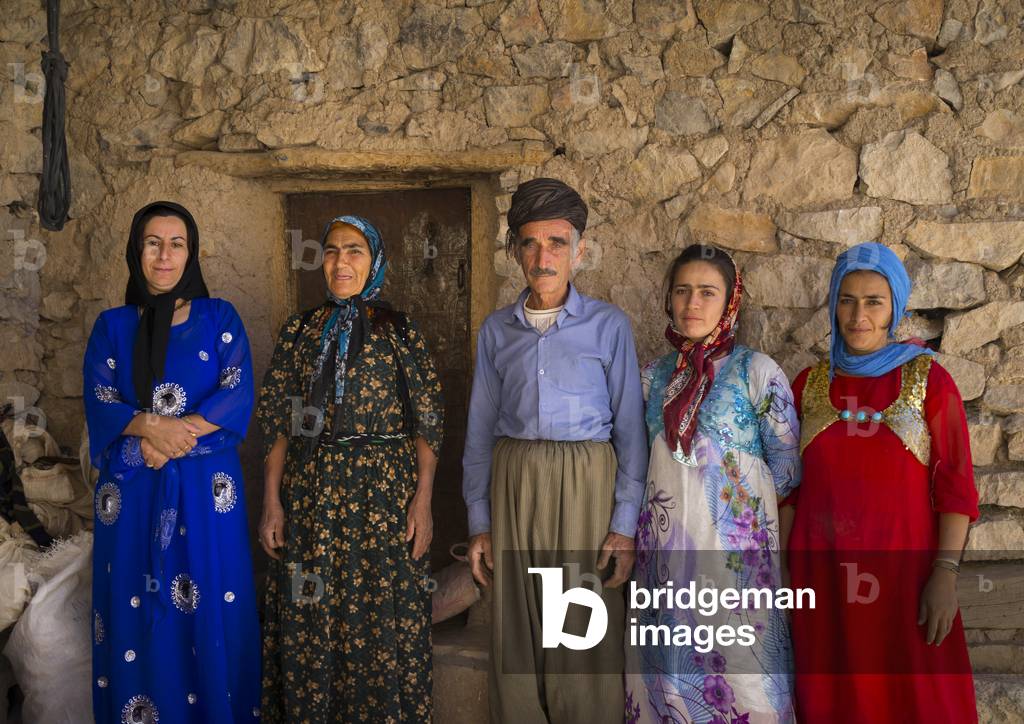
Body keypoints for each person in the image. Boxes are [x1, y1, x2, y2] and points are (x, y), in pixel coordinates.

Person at [462, 177, 647, 723]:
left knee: (580, 628)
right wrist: (479, 520)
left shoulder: (608, 326)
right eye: (531, 243)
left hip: (586, 482)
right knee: (516, 628)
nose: (543, 257)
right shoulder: (496, 331)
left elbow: (632, 432)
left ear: (579, 251)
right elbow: (479, 430)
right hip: (514, 479)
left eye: (557, 243)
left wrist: (624, 525)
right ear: (516, 250)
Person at [256, 215, 443, 722]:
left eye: (355, 250)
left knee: (381, 618)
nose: (341, 262)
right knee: (311, 616)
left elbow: (427, 424)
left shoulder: (400, 331)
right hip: (311, 494)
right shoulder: (299, 331)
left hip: (383, 499)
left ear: (375, 259)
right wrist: (271, 502)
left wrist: (422, 502)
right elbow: (276, 423)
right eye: (333, 251)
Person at [783, 242, 979, 723]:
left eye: (874, 301)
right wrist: (784, 579)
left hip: (904, 583)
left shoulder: (929, 380)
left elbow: (956, 487)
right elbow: (788, 490)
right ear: (832, 303)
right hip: (822, 582)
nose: (858, 315)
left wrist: (945, 575)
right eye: (847, 299)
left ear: (896, 306)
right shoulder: (807, 385)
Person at [84, 200, 261, 722]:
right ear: (136, 250)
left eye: (177, 243)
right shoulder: (111, 326)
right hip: (134, 494)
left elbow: (237, 391)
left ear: (192, 253)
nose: (165, 256)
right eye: (153, 243)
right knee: (135, 611)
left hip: (206, 492)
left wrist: (174, 436)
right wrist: (147, 428)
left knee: (211, 600)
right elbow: (100, 400)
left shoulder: (218, 317)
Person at [624, 244, 801, 724]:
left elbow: (786, 474)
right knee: (669, 683)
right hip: (664, 567)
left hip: (738, 574)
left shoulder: (758, 373)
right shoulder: (650, 378)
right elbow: (638, 466)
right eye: (682, 291)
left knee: (745, 685)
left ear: (730, 302)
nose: (692, 304)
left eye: (707, 292)